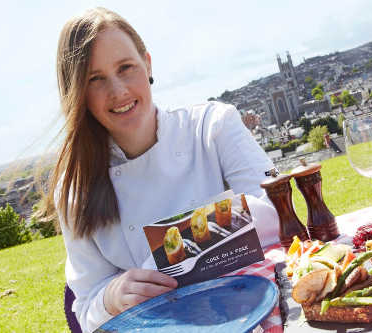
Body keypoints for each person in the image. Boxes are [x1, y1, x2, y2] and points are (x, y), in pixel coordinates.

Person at [37, 7, 279, 333]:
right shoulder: (75, 188)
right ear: (77, 93)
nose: (118, 91)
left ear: (147, 64)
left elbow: (278, 210)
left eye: (126, 68)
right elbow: (85, 310)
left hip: (254, 309)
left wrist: (170, 250)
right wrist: (111, 296)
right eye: (95, 79)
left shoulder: (213, 125)